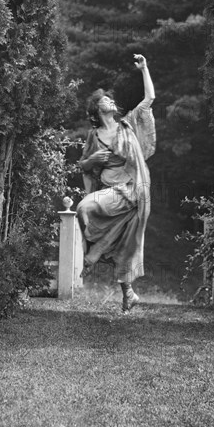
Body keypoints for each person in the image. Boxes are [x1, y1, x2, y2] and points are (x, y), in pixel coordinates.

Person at [76, 54, 156, 313]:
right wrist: (93, 159)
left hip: (131, 191)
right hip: (109, 192)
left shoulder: (127, 124)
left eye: (110, 99)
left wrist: (144, 69)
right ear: (98, 110)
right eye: (105, 100)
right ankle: (123, 287)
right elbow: (84, 166)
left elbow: (149, 100)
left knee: (124, 243)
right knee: (85, 209)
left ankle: (99, 256)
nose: (111, 101)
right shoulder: (94, 135)